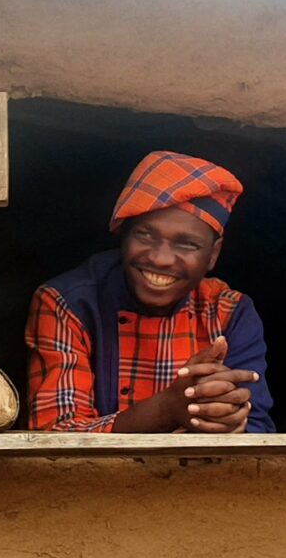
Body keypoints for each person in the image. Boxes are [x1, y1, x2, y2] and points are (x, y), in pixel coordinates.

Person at [25, 151, 273, 433]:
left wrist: (230, 421)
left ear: (213, 255)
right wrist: (167, 409)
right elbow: (55, 434)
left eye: (187, 244)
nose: (161, 259)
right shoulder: (67, 302)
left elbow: (257, 429)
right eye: (145, 235)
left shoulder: (229, 311)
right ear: (123, 235)